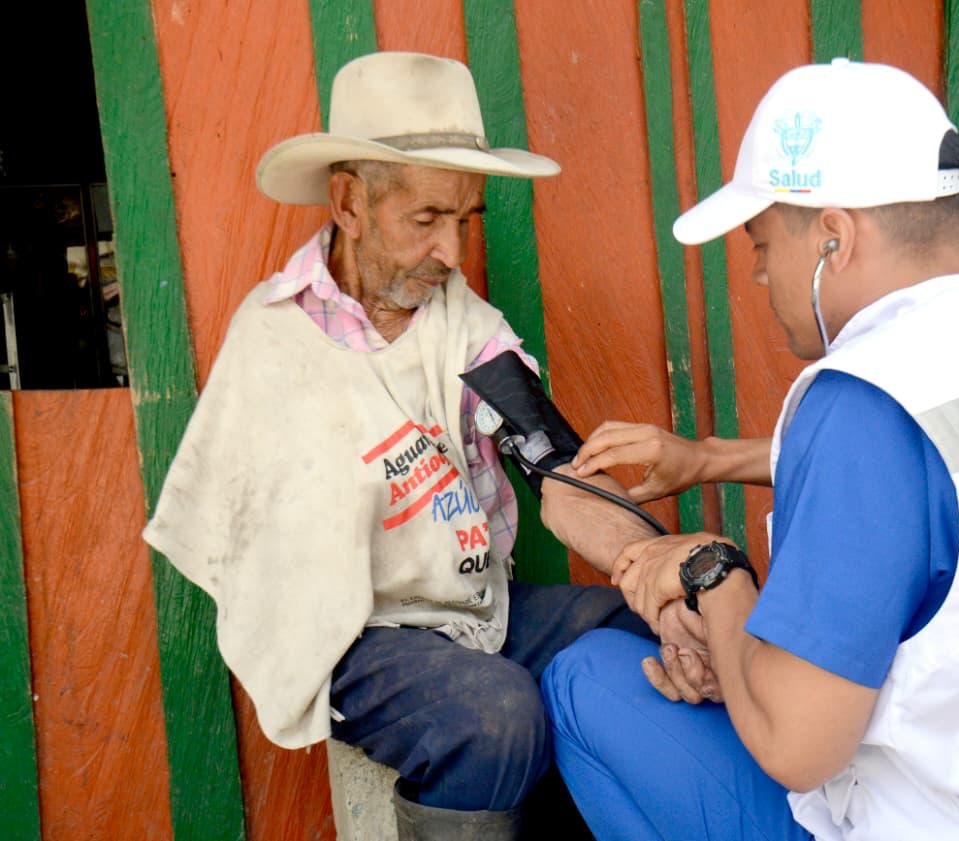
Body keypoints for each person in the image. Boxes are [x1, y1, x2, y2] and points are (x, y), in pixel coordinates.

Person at [540, 59, 959, 840]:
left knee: (584, 679)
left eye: (761, 243)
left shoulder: (863, 399)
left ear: (834, 237)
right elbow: (940, 481)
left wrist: (714, 573)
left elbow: (797, 746)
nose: (756, 273)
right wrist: (710, 459)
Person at [141, 52, 675, 840]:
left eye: (465, 219)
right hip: (354, 633)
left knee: (639, 630)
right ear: (350, 203)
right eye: (426, 220)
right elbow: (236, 533)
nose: (452, 252)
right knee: (496, 717)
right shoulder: (274, 339)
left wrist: (664, 572)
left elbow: (555, 466)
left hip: (473, 608)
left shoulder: (466, 327)